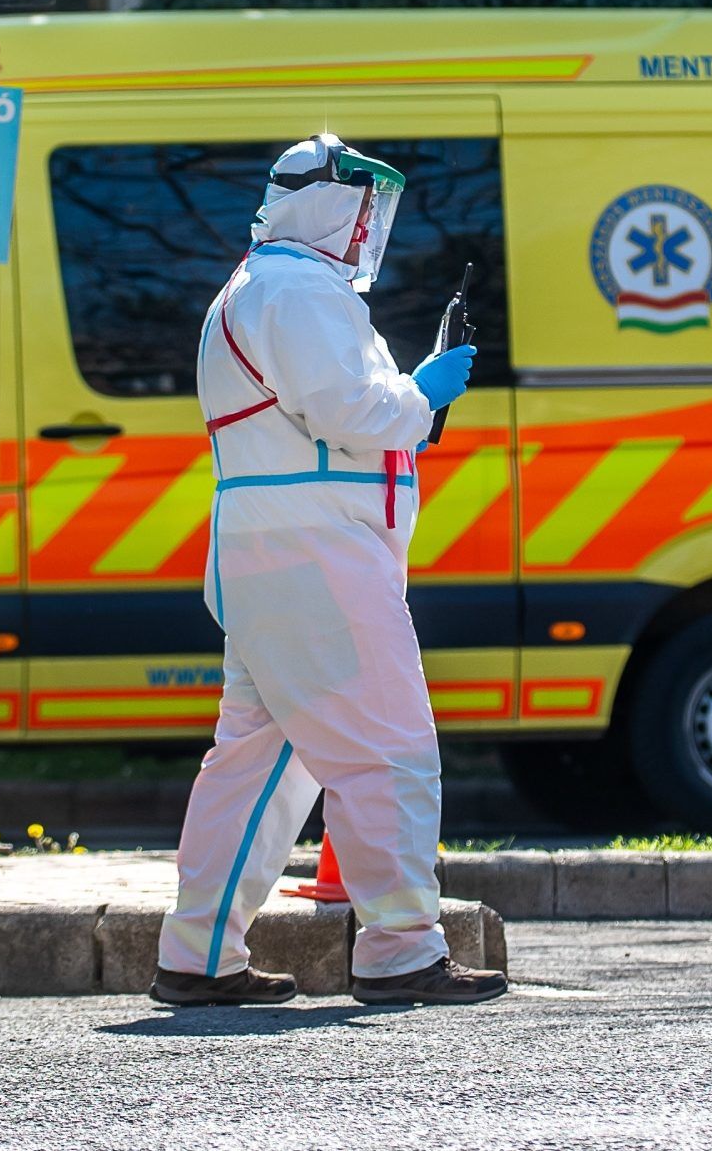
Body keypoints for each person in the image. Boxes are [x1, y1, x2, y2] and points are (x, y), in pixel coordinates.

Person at [151, 134, 507, 1007]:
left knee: (259, 768)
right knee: (389, 746)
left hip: (278, 548)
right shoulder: (297, 287)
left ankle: (196, 958)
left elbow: (334, 416)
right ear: (326, 205)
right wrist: (425, 391)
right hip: (316, 553)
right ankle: (399, 952)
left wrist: (414, 399)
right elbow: (352, 412)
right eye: (360, 210)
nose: (366, 231)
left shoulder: (265, 283)